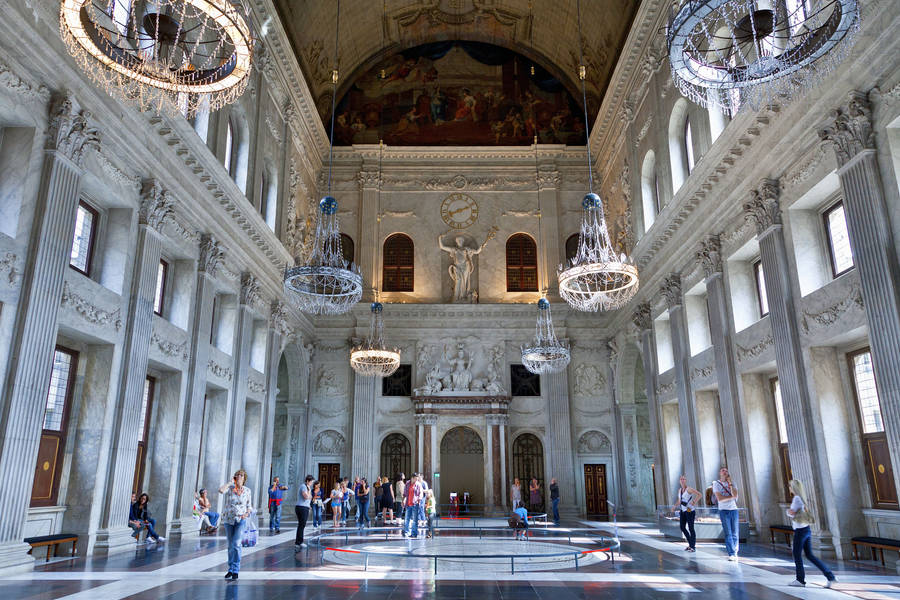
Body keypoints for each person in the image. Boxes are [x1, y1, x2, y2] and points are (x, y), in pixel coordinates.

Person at [787, 479, 836, 588]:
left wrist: (788, 512)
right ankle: (830, 576)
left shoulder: (796, 498)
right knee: (809, 555)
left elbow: (791, 513)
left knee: (797, 555)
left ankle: (800, 580)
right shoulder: (801, 498)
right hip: (806, 530)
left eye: (790, 486)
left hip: (800, 531)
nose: (789, 488)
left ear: (794, 487)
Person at [218, 469, 252, 580]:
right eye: (237, 475)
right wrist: (229, 482)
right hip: (228, 520)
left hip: (240, 520)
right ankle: (230, 569)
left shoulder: (247, 491)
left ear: (244, 478)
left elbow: (249, 506)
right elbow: (220, 491)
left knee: (237, 544)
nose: (239, 477)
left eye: (241, 475)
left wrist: (246, 514)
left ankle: (236, 569)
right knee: (230, 545)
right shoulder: (230, 489)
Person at [713, 466, 740, 561]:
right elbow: (720, 499)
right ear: (720, 473)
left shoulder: (732, 483)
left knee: (735, 532)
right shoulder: (716, 484)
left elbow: (735, 495)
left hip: (733, 509)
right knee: (728, 533)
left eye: (726, 471)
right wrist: (731, 497)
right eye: (722, 470)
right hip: (723, 510)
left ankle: (735, 551)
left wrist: (730, 483)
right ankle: (731, 553)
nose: (724, 472)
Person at [672, 475, 701, 552]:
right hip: (683, 510)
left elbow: (699, 494)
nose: (682, 480)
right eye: (681, 479)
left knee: (691, 528)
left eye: (684, 479)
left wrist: (694, 502)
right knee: (682, 527)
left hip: (690, 510)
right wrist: (674, 506)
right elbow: (679, 501)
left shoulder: (689, 489)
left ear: (686, 480)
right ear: (679, 481)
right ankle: (690, 543)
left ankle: (693, 546)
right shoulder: (680, 490)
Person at [294, 474, 313, 551]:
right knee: (301, 525)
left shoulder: (307, 487)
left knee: (302, 525)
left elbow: (310, 497)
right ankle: (298, 542)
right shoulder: (303, 486)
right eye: (311, 482)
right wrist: (309, 492)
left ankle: (299, 541)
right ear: (308, 481)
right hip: (301, 507)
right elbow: (306, 497)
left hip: (305, 507)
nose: (311, 483)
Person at [403, 473, 423, 538]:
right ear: (412, 478)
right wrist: (403, 500)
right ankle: (406, 533)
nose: (416, 480)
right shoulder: (407, 483)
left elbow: (421, 494)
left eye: (417, 478)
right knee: (407, 519)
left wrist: (418, 500)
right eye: (415, 478)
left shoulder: (418, 484)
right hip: (408, 504)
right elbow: (405, 493)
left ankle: (414, 534)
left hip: (415, 504)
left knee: (415, 520)